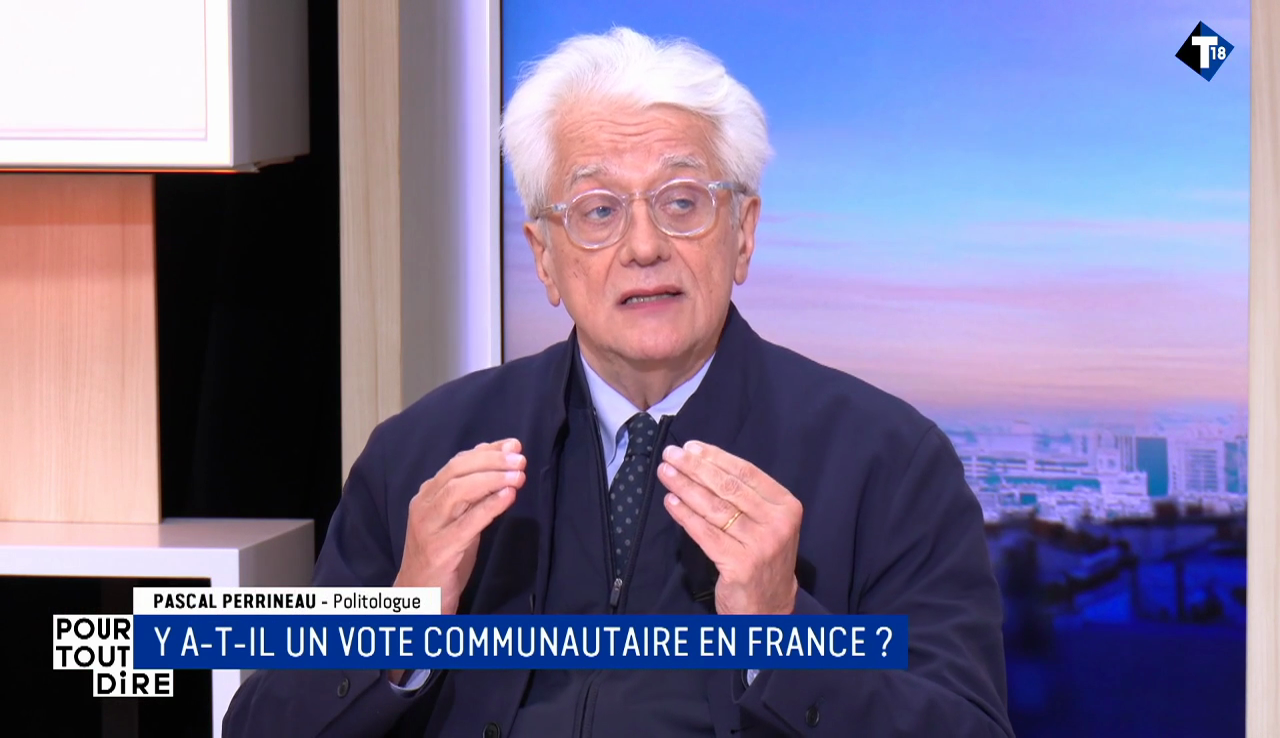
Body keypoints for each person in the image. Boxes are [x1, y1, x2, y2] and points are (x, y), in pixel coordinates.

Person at [224, 27, 1013, 738]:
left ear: (743, 235)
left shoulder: (889, 463)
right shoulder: (420, 456)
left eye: (682, 202)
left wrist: (785, 632)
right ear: (544, 257)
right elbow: (258, 722)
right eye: (598, 210)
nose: (644, 245)